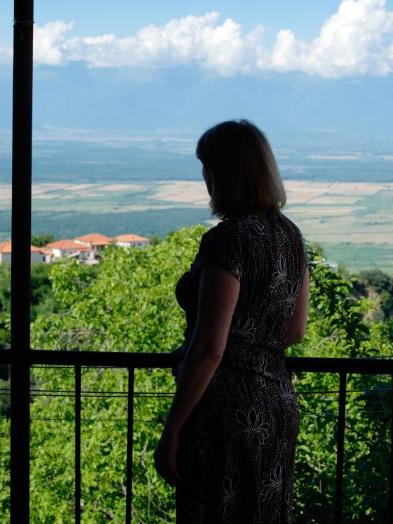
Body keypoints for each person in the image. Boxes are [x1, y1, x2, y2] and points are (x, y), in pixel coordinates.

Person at [154, 119, 309, 523]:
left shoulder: (228, 240)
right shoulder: (290, 236)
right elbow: (295, 330)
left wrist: (172, 428)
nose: (204, 177)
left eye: (206, 166)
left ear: (223, 172)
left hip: (224, 412)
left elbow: (210, 348)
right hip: (276, 404)